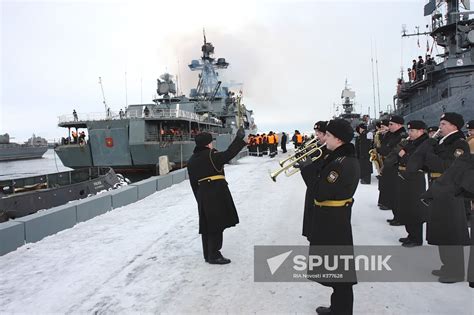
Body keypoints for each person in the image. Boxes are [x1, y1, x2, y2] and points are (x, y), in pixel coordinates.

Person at [308, 119, 360, 315]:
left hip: (333, 220)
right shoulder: (340, 159)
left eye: (328, 136)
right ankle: (338, 308)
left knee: (341, 271)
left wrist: (308, 168)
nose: (325, 139)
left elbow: (320, 192)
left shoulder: (340, 163)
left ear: (338, 139)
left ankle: (342, 311)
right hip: (332, 217)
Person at [418, 112, 470, 283]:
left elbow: (447, 166)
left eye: (444, 124)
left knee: (451, 231)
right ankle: (447, 265)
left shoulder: (459, 144)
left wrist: (429, 156)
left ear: (454, 126)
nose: (440, 127)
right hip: (438, 187)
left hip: (450, 191)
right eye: (440, 123)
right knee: (441, 229)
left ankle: (455, 271)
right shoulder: (442, 142)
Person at [187, 127, 247, 265]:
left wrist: (199, 198)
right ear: (208, 144)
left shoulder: (191, 161)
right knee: (216, 224)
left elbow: (193, 183)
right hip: (215, 192)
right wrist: (239, 139)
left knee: (207, 225)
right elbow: (229, 154)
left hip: (202, 193)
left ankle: (207, 254)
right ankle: (214, 254)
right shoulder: (211, 155)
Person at [396, 120, 429, 247]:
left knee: (414, 207)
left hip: (416, 178)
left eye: (413, 131)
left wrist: (404, 156)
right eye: (409, 130)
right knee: (407, 206)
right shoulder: (412, 142)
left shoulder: (424, 144)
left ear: (421, 131)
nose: (410, 133)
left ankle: (416, 238)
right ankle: (410, 234)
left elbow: (416, 161)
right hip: (406, 177)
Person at [300, 121, 329, 241]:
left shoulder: (328, 150)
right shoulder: (318, 147)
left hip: (319, 191)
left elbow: (320, 170)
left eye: (319, 133)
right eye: (316, 133)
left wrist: (308, 166)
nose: (317, 136)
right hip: (312, 189)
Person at [377, 116, 406, 227]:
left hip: (395, 167)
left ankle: (399, 217)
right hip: (389, 165)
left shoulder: (402, 136)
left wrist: (381, 150)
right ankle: (396, 216)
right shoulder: (391, 134)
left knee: (396, 194)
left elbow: (392, 150)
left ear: (399, 125)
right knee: (391, 192)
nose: (389, 126)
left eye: (391, 124)